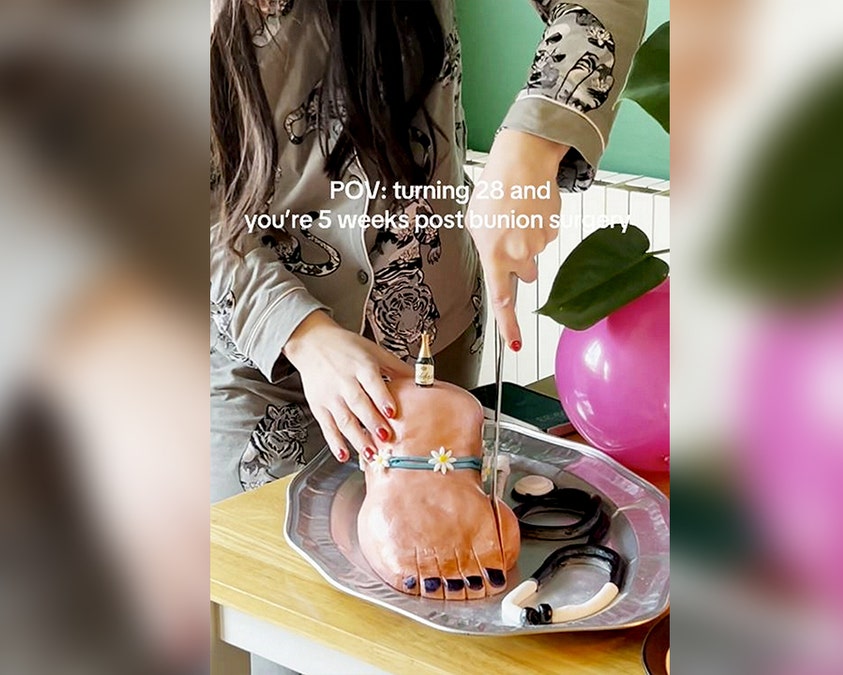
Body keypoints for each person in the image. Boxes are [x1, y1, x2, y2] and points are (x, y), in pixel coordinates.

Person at [210, 0, 648, 502]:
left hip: (438, 332)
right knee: (269, 570)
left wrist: (534, 141)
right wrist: (302, 335)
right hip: (262, 368)